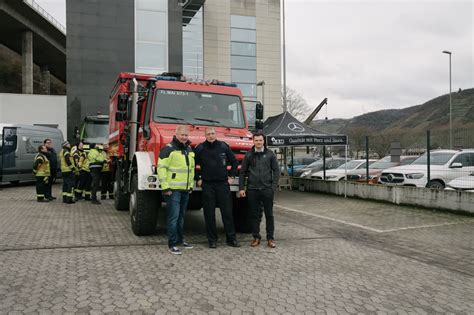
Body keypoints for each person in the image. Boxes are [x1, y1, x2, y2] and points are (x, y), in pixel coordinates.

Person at [194, 127, 240, 248]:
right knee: (209, 214)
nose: (211, 136)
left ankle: (231, 239)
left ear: (216, 134)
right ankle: (212, 240)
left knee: (227, 213)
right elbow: (191, 164)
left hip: (223, 184)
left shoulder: (224, 147)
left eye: (212, 133)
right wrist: (197, 178)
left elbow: (234, 162)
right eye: (208, 134)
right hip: (208, 185)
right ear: (205, 135)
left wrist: (232, 176)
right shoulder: (200, 148)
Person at [157, 125, 195, 255]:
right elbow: (161, 168)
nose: (184, 137)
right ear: (176, 134)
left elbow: (191, 170)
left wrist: (190, 186)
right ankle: (172, 244)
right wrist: (165, 187)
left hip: (185, 189)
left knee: (181, 217)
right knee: (173, 217)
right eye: (182, 135)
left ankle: (180, 240)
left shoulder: (189, 149)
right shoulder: (168, 149)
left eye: (186, 135)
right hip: (172, 190)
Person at [239, 132, 279, 248]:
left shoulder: (270, 154)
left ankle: (270, 239)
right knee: (254, 215)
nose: (258, 142)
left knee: (269, 215)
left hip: (267, 189)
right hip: (252, 190)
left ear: (263, 141)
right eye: (256, 140)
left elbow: (276, 171)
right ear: (253, 141)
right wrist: (242, 188)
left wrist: (273, 187)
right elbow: (242, 172)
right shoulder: (249, 155)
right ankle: (256, 237)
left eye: (260, 140)